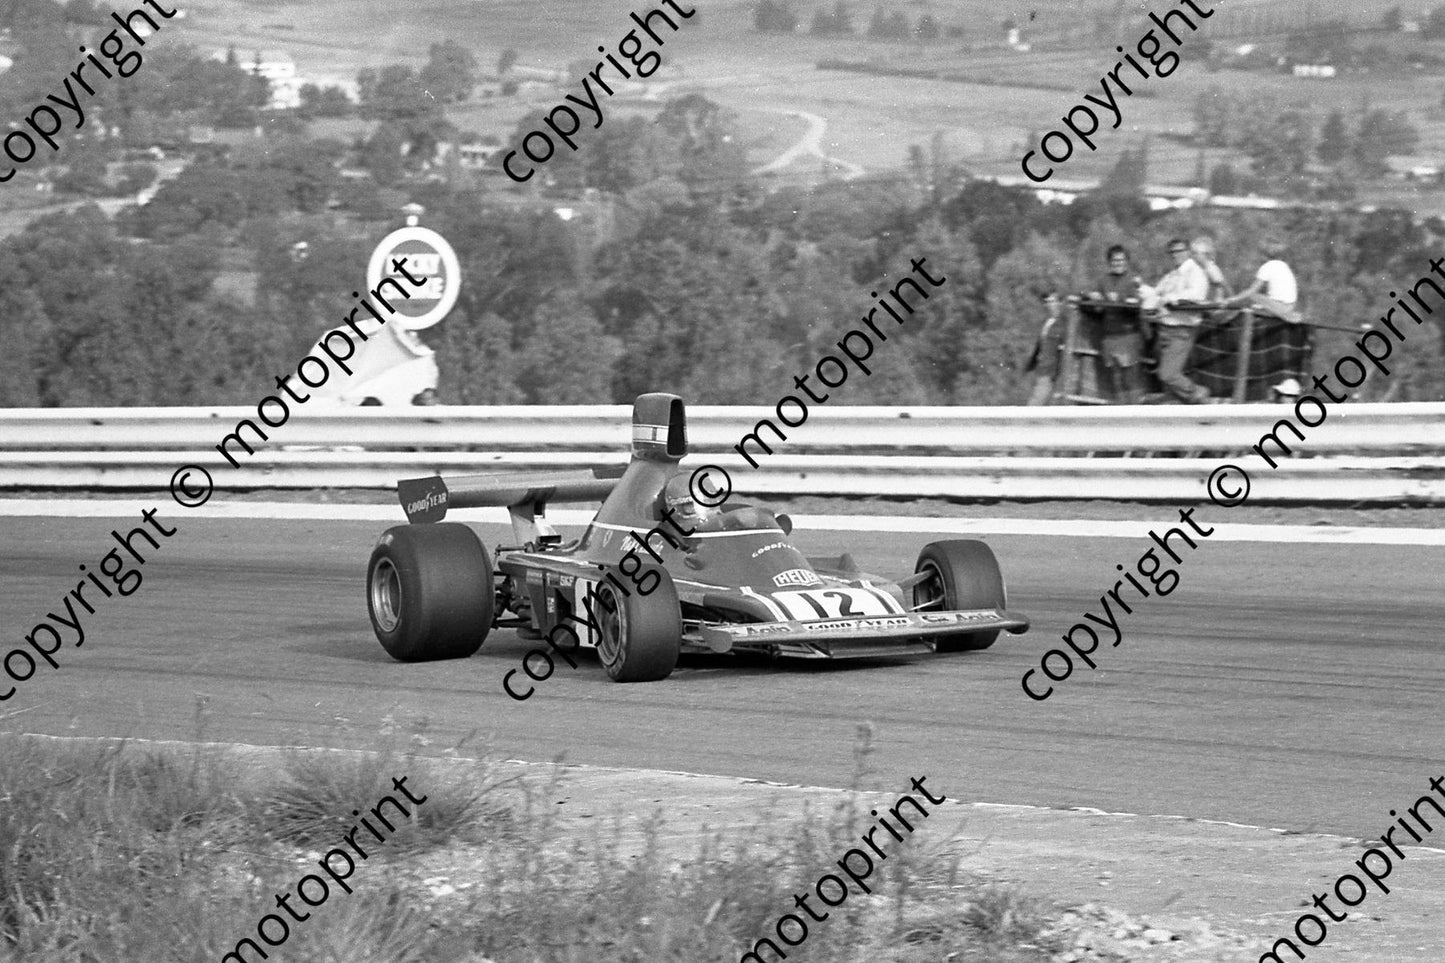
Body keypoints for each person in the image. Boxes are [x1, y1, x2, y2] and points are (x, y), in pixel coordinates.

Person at [1140, 237, 1218, 404]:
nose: (1176, 255)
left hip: (1181, 329)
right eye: (1172, 252)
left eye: (1179, 251)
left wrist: (1171, 298)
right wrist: (1145, 291)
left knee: (1167, 374)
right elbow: (1157, 292)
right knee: (1167, 379)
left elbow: (1196, 294)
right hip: (1165, 328)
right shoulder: (1172, 274)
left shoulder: (1195, 272)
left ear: (1188, 252)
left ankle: (1198, 393)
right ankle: (1181, 408)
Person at [1087, 244, 1146, 404]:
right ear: (1109, 262)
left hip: (1128, 334)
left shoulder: (1134, 280)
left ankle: (1135, 410)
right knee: (1115, 378)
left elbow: (1138, 304)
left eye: (1121, 260)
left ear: (1127, 261)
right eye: (1114, 260)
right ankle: (1120, 411)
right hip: (1109, 335)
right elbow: (1097, 307)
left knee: (1130, 377)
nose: (1118, 263)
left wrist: (1118, 299)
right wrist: (1095, 299)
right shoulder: (1103, 280)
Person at [1226, 235, 1301, 323]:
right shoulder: (1284, 265)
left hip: (1280, 306)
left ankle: (1233, 320)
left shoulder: (1267, 267)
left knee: (1252, 297)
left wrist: (1232, 299)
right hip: (1290, 306)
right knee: (1257, 302)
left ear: (1264, 255)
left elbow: (1252, 290)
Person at [1024, 291, 1065, 405]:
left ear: (1060, 303)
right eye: (1048, 302)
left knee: (1035, 404)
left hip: (1050, 371)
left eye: (1052, 302)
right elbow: (1039, 347)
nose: (1049, 305)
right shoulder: (1046, 322)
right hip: (1040, 369)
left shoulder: (1063, 325)